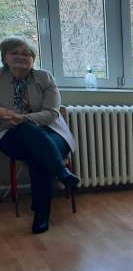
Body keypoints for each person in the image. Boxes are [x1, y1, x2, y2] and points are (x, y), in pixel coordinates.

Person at [0, 37, 80, 234]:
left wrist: (22, 118)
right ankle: (61, 172)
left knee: (37, 155)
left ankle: (41, 214)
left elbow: (52, 113)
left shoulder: (45, 77)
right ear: (4, 57)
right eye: (15, 53)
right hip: (12, 134)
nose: (21, 57)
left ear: (33, 59)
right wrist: (7, 116)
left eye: (26, 53)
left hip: (52, 131)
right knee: (28, 133)